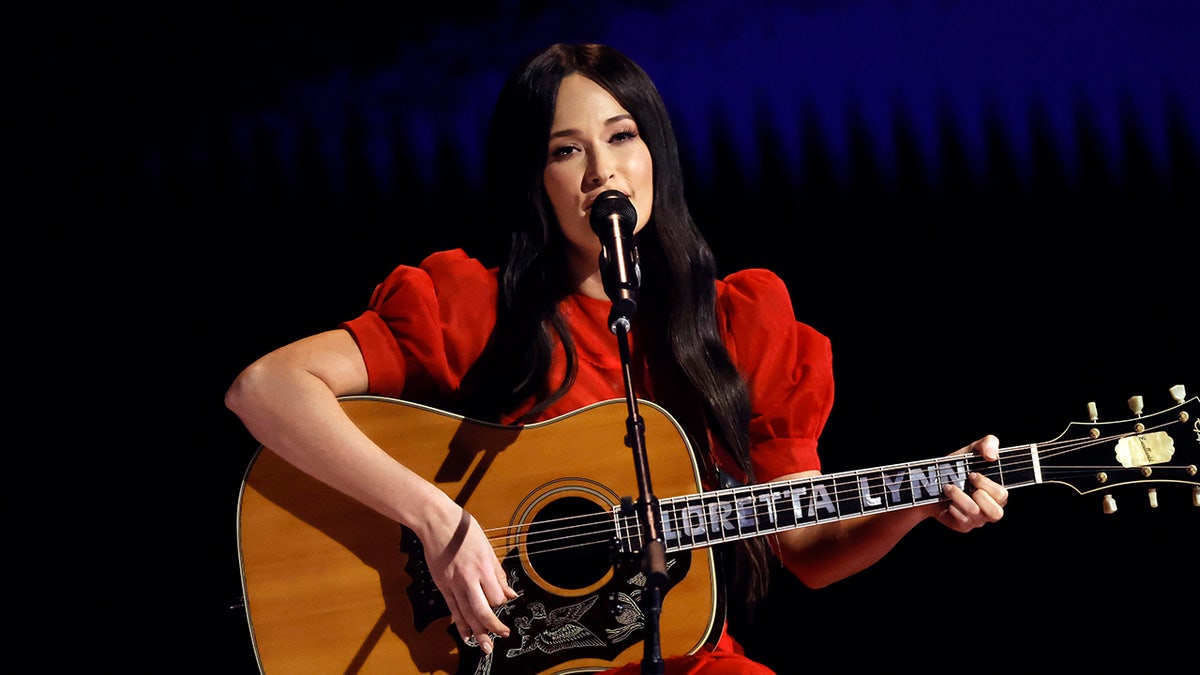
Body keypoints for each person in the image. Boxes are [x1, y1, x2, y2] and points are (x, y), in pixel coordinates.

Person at [226, 42, 1008, 674]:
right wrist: (438, 521)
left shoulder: (736, 325)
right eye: (567, 149)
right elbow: (266, 388)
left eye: (622, 136)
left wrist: (920, 499)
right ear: (534, 180)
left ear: (654, 152)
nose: (603, 170)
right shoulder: (474, 310)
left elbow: (807, 550)